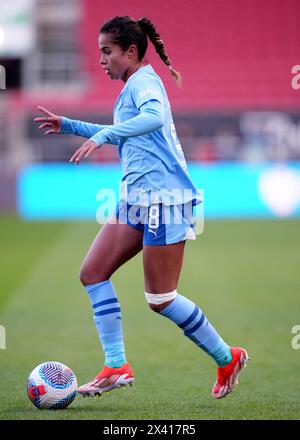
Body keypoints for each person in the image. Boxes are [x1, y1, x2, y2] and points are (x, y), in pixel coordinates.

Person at [34, 15, 249, 400]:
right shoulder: (132, 85)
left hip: (164, 200)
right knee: (93, 272)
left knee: (161, 299)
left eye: (107, 52)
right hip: (136, 199)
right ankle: (116, 365)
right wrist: (70, 124)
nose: (101, 60)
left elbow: (152, 118)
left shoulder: (145, 81)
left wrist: (102, 135)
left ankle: (226, 356)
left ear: (130, 51)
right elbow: (132, 132)